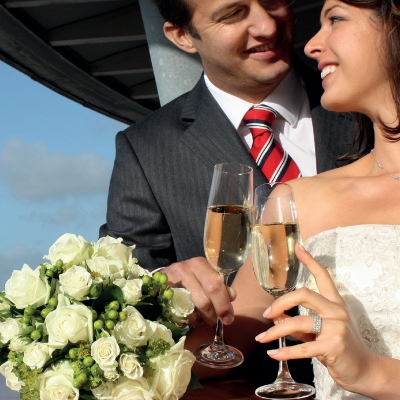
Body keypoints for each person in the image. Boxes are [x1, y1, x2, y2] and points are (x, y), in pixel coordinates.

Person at [99, 0, 358, 379]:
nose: (267, 26)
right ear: (182, 36)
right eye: (233, 14)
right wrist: (168, 286)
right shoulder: (147, 149)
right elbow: (123, 299)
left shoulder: (367, 101)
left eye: (272, 1)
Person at [250, 0, 400, 398]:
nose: (310, 46)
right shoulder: (296, 202)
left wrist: (375, 373)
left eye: (334, 18)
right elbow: (226, 324)